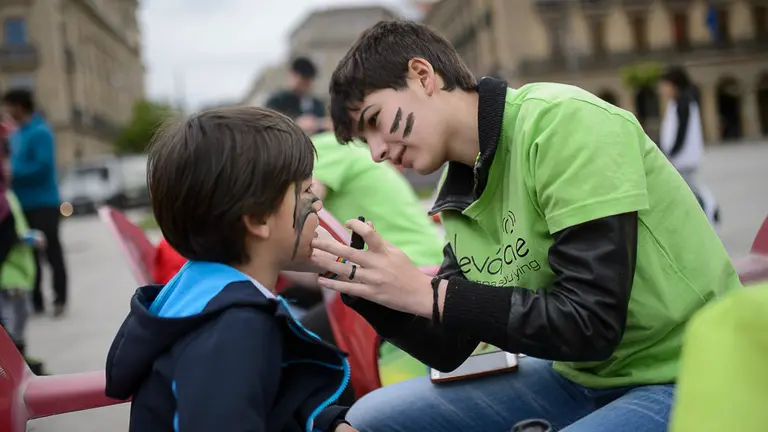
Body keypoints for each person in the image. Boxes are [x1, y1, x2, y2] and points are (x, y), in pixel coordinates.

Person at [309, 20, 741, 431]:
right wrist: (373, 290)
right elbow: (450, 348)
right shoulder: (459, 186)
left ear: (423, 75)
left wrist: (431, 293)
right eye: (365, 142)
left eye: (374, 121)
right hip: (581, 376)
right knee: (370, 418)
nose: (377, 152)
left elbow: (590, 324)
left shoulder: (561, 124)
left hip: (689, 370)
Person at [104, 107, 355, 432]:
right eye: (307, 192)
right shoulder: (235, 328)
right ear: (258, 219)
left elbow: (267, 400)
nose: (318, 206)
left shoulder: (197, 288)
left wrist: (326, 423)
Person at [2, 89, 67, 317]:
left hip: (43, 203)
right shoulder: (15, 134)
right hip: (22, 203)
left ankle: (59, 298)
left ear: (20, 106)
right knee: (30, 253)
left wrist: (13, 173)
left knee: (51, 252)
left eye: (9, 106)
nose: (6, 111)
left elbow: (42, 167)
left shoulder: (41, 132)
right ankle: (36, 301)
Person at [657, 66, 719, 226]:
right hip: (680, 158)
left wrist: (670, 154)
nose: (662, 90)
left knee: (688, 193)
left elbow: (681, 132)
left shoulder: (683, 103)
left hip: (682, 159)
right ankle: (709, 214)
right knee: (690, 190)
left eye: (664, 85)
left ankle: (710, 215)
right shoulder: (677, 103)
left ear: (674, 85)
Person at [266, 56, 326, 134]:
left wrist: (320, 124)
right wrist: (296, 122)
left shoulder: (317, 104)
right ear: (291, 75)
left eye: (307, 82)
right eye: (302, 80)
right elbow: (269, 122)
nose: (304, 85)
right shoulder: (278, 100)